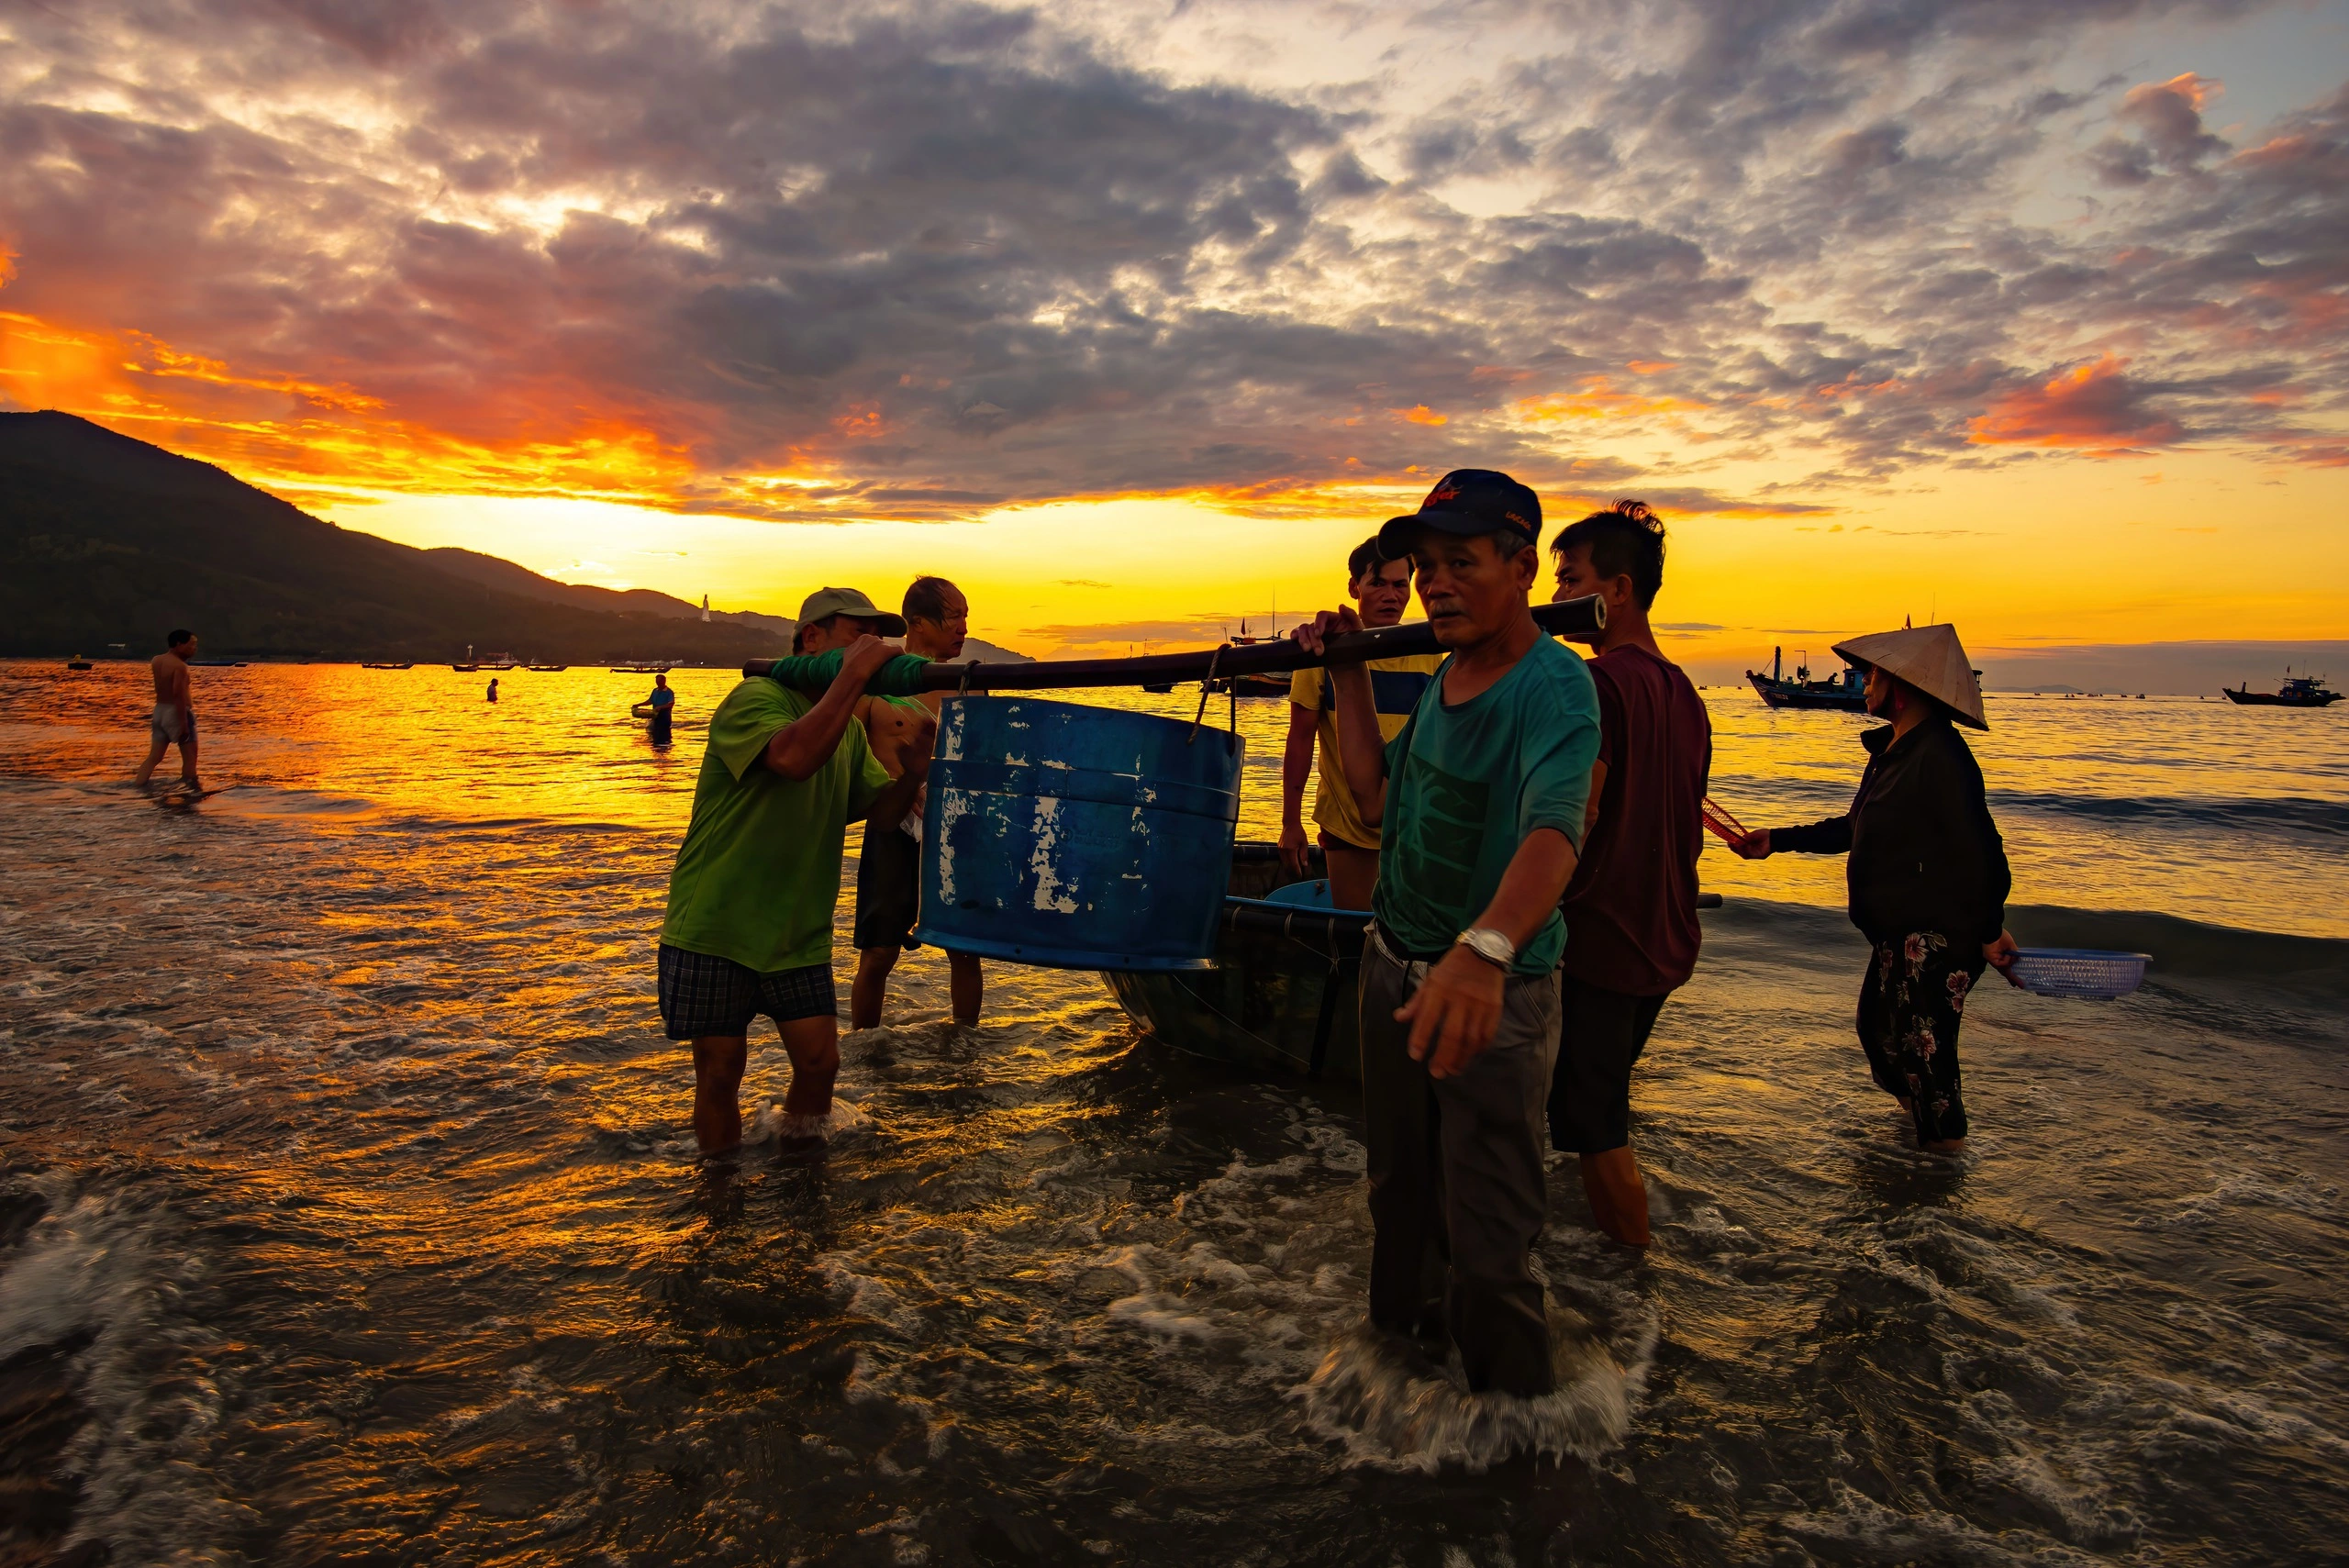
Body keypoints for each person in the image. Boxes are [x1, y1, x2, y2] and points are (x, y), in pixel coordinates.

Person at [1290, 469, 1601, 1398]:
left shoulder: (1555, 689)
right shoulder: (1444, 674)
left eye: (1459, 563)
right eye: (1425, 567)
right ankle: (1399, 1380)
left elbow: (1556, 831)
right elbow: (1376, 798)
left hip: (1493, 993)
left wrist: (1486, 947)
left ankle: (1515, 1439)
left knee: (1490, 1233)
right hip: (1394, 965)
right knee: (1398, 1197)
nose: (1435, 586)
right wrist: (1346, 670)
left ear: (1522, 568)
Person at [658, 586, 932, 1158]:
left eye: (876, 639)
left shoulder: (849, 733)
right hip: (716, 925)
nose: (871, 647)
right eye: (856, 635)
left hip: (796, 934)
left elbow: (880, 816)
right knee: (720, 1068)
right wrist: (852, 680)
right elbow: (792, 759)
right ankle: (717, 1189)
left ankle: (800, 1172)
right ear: (813, 640)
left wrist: (913, 773)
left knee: (819, 1062)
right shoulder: (754, 699)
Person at [1731, 624, 2018, 1154]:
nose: (1864, 683)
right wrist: (1777, 840)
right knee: (1881, 1040)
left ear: (1902, 688)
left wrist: (1989, 930)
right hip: (1897, 936)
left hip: (1935, 940)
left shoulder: (1942, 757)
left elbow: (1984, 853)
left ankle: (1944, 1193)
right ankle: (1923, 1156)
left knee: (1930, 1063)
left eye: (1873, 674)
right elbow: (1852, 827)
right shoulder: (1890, 751)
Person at [1545, 501, 1710, 1247]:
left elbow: (1577, 816)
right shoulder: (1687, 696)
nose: (1552, 597)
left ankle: (1635, 1287)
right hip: (1665, 938)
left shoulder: (1598, 684)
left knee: (1594, 1121)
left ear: (1613, 590)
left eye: (1566, 579)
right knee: (1584, 1104)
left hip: (1600, 941)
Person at [851, 575, 985, 1029]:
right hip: (892, 823)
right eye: (954, 617)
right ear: (919, 623)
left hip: (952, 829)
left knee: (964, 948)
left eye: (966, 616)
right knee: (879, 952)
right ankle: (863, 1050)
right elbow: (843, 755)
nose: (963, 627)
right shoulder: (874, 688)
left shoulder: (971, 687)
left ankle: (966, 1050)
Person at [1280, 539, 1441, 910]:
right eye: (1378, 584)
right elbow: (1300, 739)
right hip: (1346, 825)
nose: (1390, 596)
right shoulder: (1324, 652)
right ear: (1355, 588)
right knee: (1358, 937)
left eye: (1400, 585)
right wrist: (1291, 822)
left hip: (1412, 827)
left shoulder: (1431, 652)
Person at [135, 629, 200, 788]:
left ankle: (138, 786)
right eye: (191, 645)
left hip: (159, 711)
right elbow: (178, 695)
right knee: (190, 759)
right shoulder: (180, 667)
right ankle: (191, 794)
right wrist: (183, 724)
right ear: (179, 644)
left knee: (154, 757)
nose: (194, 648)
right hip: (177, 713)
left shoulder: (157, 660)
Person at [644, 672, 676, 746]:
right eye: (656, 682)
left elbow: (671, 704)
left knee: (664, 736)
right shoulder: (655, 690)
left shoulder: (669, 692)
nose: (658, 684)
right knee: (654, 736)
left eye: (659, 682)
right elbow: (650, 701)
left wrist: (660, 707)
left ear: (664, 681)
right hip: (656, 716)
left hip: (665, 717)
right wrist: (638, 705)